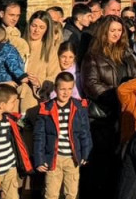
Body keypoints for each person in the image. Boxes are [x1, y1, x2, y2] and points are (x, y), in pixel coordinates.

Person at [82, 15, 136, 194]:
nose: (116, 34)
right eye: (112, 30)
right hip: (103, 117)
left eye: (119, 30)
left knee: (120, 164)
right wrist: (117, 97)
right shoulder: (93, 55)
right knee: (101, 166)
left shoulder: (127, 52)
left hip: (125, 115)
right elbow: (91, 84)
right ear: (104, 32)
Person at [35, 71, 92, 199]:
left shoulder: (79, 107)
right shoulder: (46, 108)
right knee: (51, 194)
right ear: (56, 88)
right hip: (53, 158)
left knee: (71, 193)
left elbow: (85, 133)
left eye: (69, 89)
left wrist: (86, 154)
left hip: (73, 159)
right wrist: (39, 160)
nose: (66, 92)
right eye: (62, 89)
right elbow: (39, 136)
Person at [22, 11, 62, 117]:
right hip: (12, 98)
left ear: (46, 30)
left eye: (41, 27)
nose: (36, 30)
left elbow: (55, 76)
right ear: (29, 25)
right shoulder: (18, 44)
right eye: (34, 26)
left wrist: (39, 82)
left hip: (34, 100)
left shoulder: (50, 50)